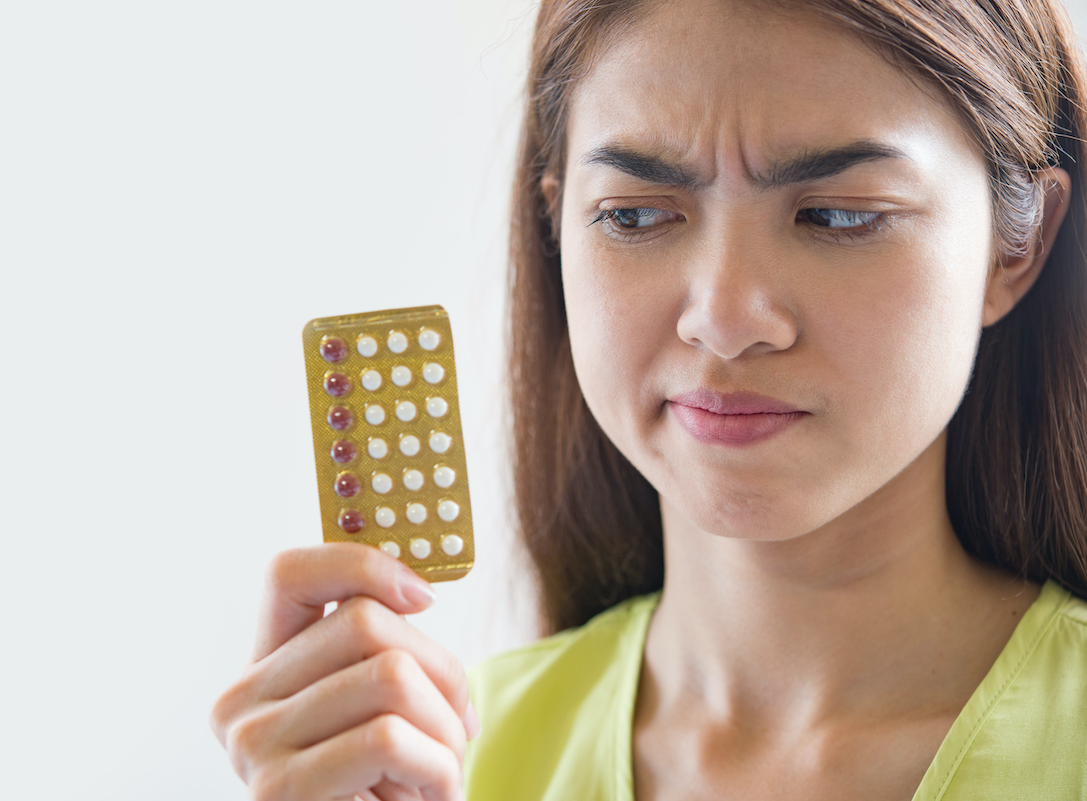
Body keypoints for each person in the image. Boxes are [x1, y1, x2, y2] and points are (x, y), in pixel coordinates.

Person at [209, 0, 1087, 798]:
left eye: (839, 215)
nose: (727, 319)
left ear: (1019, 247)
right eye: (632, 216)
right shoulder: (440, 757)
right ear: (557, 229)